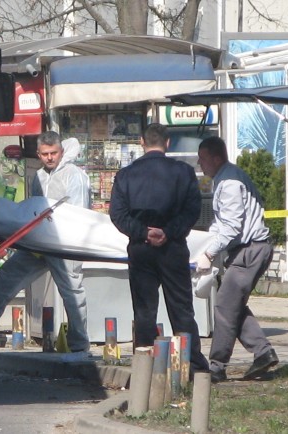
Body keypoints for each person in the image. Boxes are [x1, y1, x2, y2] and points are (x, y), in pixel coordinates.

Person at [109, 123, 209, 374]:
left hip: (141, 249)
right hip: (173, 248)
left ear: (142, 142)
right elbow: (192, 210)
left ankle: (146, 367)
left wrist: (143, 232)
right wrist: (169, 232)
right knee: (181, 308)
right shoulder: (184, 173)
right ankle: (193, 365)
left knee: (144, 309)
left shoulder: (126, 175)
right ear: (167, 143)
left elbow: (118, 214)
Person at [0, 132, 91, 353]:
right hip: (39, 243)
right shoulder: (38, 176)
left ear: (61, 152)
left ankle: (79, 344)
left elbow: (80, 214)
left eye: (53, 153)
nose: (49, 158)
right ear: (38, 154)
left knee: (72, 293)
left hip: (64, 245)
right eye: (45, 154)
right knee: (5, 280)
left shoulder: (73, 175)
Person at [195, 136, 278, 382]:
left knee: (223, 306)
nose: (200, 164)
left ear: (217, 158)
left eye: (203, 159)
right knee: (233, 305)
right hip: (250, 249)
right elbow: (222, 226)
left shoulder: (229, 182)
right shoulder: (227, 178)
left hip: (249, 250)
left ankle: (217, 366)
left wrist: (209, 253)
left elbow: (231, 227)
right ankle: (263, 352)